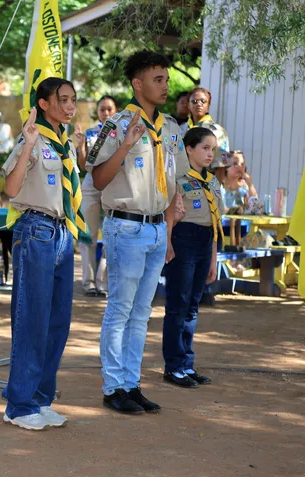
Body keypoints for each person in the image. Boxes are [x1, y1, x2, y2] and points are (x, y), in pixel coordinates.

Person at [86, 50, 188, 415]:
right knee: (120, 310)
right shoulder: (114, 125)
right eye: (157, 79)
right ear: (137, 83)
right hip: (126, 226)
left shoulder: (172, 129)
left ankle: (132, 383)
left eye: (166, 79)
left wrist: (170, 233)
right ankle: (113, 387)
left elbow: (175, 184)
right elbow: (97, 179)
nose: (165, 85)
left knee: (142, 312)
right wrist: (126, 144)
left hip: (158, 229)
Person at [0, 78, 90, 430]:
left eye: (73, 100)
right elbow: (10, 188)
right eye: (63, 100)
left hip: (62, 232)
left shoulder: (65, 144)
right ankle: (18, 405)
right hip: (36, 229)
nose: (70, 106)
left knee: (57, 321)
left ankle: (40, 399)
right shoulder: (32, 138)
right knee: (31, 318)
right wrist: (28, 147)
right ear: (44, 104)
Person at [162, 127, 224, 388]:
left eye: (213, 149)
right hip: (182, 241)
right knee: (178, 304)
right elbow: (169, 216)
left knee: (193, 306)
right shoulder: (177, 178)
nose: (210, 154)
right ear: (189, 148)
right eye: (205, 148)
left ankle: (186, 363)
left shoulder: (213, 182)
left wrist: (213, 260)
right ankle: (173, 366)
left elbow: (214, 222)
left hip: (204, 242)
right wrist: (167, 245)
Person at [74, 95, 118, 297]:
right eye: (102, 109)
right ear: (97, 112)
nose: (106, 113)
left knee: (111, 235)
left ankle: (104, 282)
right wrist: (80, 146)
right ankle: (89, 282)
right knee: (88, 235)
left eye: (110, 109)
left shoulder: (122, 133)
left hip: (114, 184)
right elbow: (83, 166)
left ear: (116, 111)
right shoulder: (90, 133)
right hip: (91, 183)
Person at [182, 88, 230, 179]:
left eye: (203, 101)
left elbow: (221, 166)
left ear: (208, 105)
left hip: (206, 182)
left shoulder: (218, 131)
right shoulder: (181, 128)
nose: (199, 104)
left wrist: (216, 191)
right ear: (188, 105)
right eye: (194, 101)